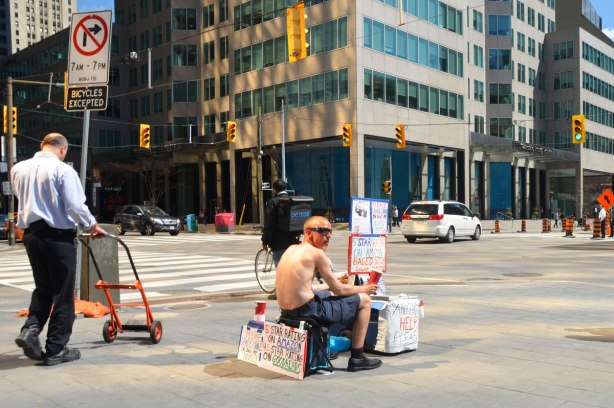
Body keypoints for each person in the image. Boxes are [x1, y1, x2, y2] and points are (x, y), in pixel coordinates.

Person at [11, 133, 107, 366]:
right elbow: (75, 205)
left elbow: (22, 199)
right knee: (63, 294)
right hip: (57, 236)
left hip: (32, 235)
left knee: (43, 288)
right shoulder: (63, 170)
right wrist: (92, 225)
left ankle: (30, 330)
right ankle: (56, 348)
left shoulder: (18, 169)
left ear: (41, 145)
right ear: (63, 149)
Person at [275, 216, 382, 372]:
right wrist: (364, 289)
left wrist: (326, 287)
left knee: (329, 293)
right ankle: (357, 358)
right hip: (308, 311)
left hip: (287, 310)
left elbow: (302, 286)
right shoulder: (317, 254)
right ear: (308, 232)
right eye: (323, 231)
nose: (328, 236)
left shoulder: (292, 249)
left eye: (330, 232)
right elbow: (339, 290)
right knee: (364, 300)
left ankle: (325, 345)